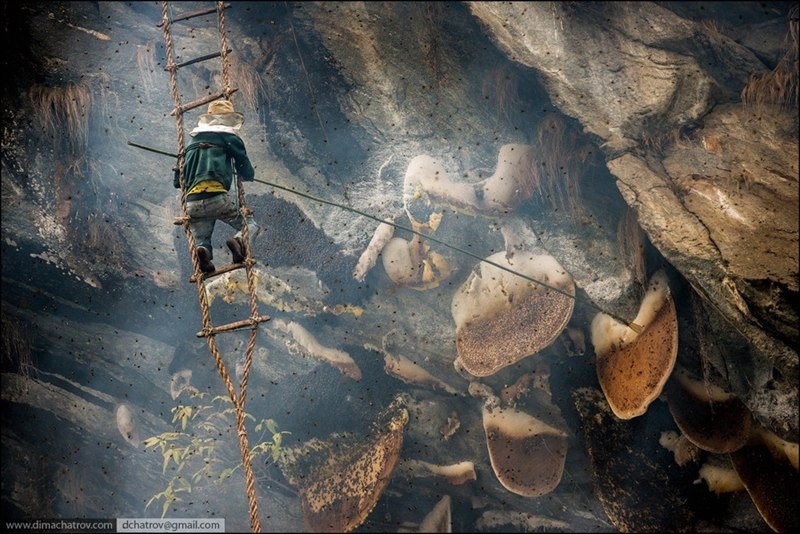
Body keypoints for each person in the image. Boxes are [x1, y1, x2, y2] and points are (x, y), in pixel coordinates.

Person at [175, 99, 260, 273]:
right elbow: (244, 166)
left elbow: (177, 182)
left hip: (191, 203)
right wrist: (247, 175)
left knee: (201, 239)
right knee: (250, 224)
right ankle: (239, 242)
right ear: (229, 119)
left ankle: (203, 254)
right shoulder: (228, 136)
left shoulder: (190, 144)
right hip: (216, 197)